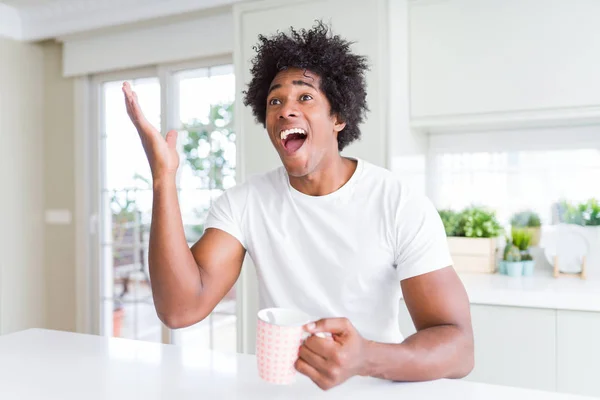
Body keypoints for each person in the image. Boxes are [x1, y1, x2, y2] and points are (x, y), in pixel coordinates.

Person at [122, 21, 474, 391]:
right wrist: (164, 180)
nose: (285, 110)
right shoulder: (245, 203)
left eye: (304, 97)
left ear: (338, 118)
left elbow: (459, 348)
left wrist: (365, 358)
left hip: (376, 385)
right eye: (275, 101)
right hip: (279, 389)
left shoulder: (398, 203)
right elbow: (180, 309)